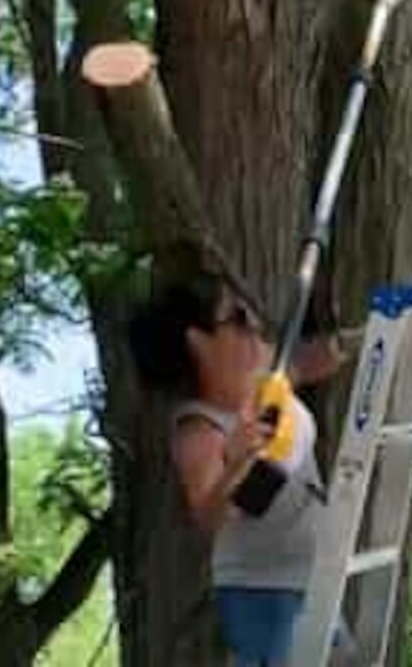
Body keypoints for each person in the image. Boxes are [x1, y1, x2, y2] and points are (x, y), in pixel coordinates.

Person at [128, 261, 344, 667]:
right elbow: (209, 517)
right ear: (199, 342)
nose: (253, 325)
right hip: (265, 594)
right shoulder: (201, 429)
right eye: (237, 317)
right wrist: (234, 461)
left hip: (313, 581)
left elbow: (311, 360)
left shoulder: (265, 381)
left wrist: (367, 337)